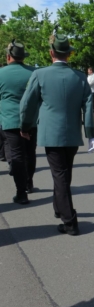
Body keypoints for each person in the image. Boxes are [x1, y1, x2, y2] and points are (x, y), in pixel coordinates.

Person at [19, 32, 94, 236]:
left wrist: (25, 126)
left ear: (51, 53)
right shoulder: (80, 77)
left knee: (60, 175)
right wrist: (90, 133)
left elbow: (27, 104)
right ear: (69, 54)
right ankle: (59, 207)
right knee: (64, 173)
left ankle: (70, 221)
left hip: (51, 134)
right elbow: (89, 106)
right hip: (72, 134)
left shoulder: (40, 74)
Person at [0, 40, 36, 204]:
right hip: (31, 119)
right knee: (30, 152)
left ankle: (21, 193)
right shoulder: (34, 72)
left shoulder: (1, 73)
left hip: (10, 120)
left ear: (8, 56)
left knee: (17, 155)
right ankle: (29, 183)